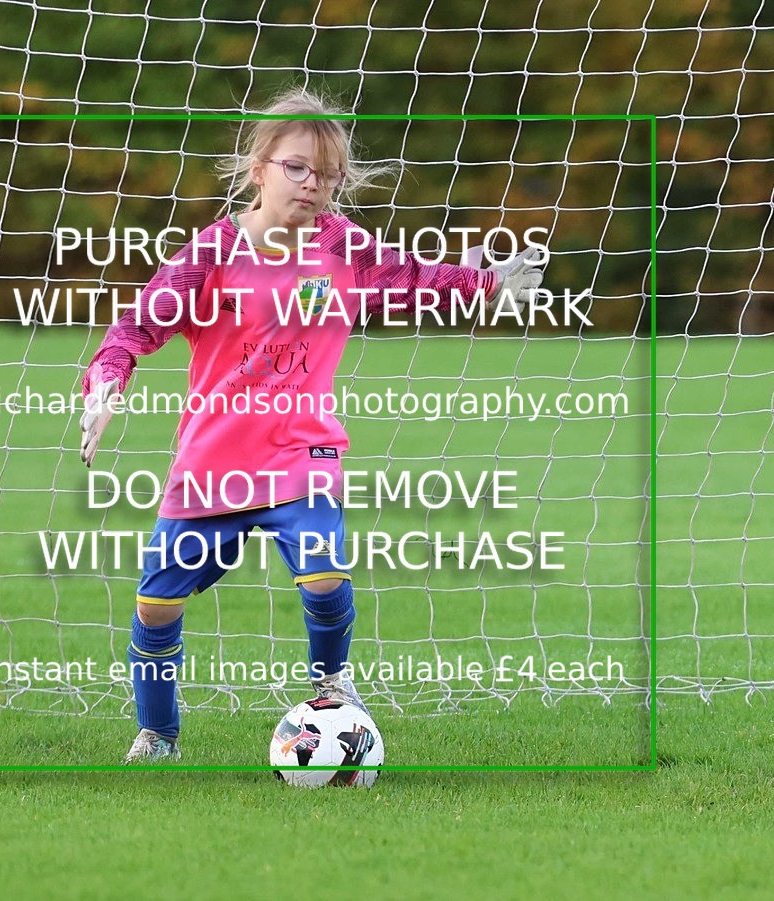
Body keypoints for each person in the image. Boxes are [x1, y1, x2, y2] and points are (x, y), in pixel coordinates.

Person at [79, 88, 545, 762]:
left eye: (326, 175)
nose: (313, 185)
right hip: (215, 459)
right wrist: (105, 383)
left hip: (303, 445)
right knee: (156, 608)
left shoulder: (342, 245)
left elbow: (410, 277)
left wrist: (485, 283)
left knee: (324, 573)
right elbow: (135, 327)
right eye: (297, 167)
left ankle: (332, 684)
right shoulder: (209, 253)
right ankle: (159, 733)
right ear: (258, 166)